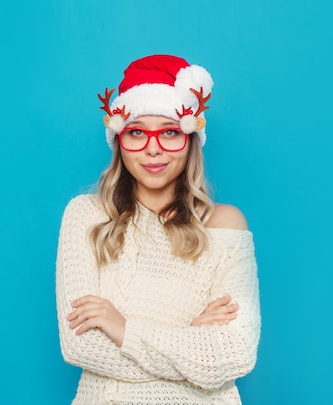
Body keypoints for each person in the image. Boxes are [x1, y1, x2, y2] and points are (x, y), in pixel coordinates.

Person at [55, 54, 261, 404]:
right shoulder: (87, 216)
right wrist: (189, 337)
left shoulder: (225, 224)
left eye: (169, 132)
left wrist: (125, 329)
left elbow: (235, 354)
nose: (153, 149)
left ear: (190, 138)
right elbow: (80, 346)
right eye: (136, 132)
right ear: (119, 140)